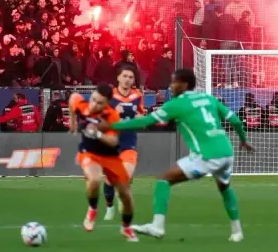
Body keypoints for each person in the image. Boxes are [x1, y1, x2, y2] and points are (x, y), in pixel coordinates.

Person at [99, 68, 253, 242]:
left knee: (164, 179)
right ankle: (237, 231)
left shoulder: (177, 104)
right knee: (225, 188)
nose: (171, 86)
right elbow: (235, 120)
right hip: (226, 152)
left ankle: (157, 226)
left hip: (206, 155)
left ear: (184, 84)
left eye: (174, 82)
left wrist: (113, 126)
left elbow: (146, 121)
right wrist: (244, 140)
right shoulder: (208, 98)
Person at [69, 84, 138, 241]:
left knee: (126, 196)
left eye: (100, 103)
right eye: (93, 99)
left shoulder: (112, 116)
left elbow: (113, 141)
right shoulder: (83, 105)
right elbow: (73, 98)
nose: (94, 104)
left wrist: (97, 133)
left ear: (107, 103)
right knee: (94, 179)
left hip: (111, 158)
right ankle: (92, 209)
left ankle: (126, 227)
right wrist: (72, 122)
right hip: (90, 153)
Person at [102, 66, 145, 222]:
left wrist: (141, 118)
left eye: (130, 77)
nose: (127, 79)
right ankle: (109, 207)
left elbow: (141, 114)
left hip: (129, 141)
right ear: (118, 78)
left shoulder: (137, 95)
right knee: (109, 179)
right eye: (125, 76)